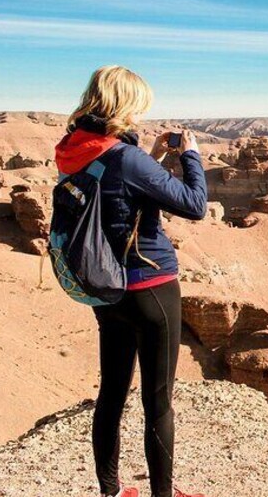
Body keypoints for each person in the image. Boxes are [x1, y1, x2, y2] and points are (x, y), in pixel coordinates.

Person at [54, 65, 207, 497]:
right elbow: (194, 205)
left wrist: (154, 158)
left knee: (112, 395)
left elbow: (116, 191)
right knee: (158, 403)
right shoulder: (125, 156)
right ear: (124, 104)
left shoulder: (73, 148)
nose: (142, 116)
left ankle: (111, 492)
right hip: (150, 289)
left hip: (105, 290)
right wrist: (190, 156)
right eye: (139, 107)